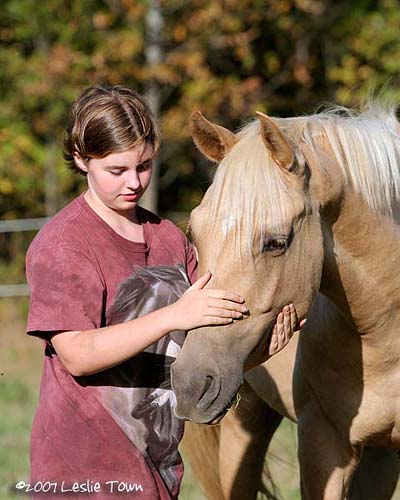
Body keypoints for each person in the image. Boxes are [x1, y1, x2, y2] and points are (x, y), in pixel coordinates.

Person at [25, 85, 301, 500]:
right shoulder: (63, 245)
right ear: (82, 160)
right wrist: (173, 315)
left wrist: (263, 350)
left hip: (157, 471)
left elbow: (193, 345)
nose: (134, 183)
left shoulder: (170, 239)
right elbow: (78, 355)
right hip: (81, 475)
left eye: (145, 166)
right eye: (116, 171)